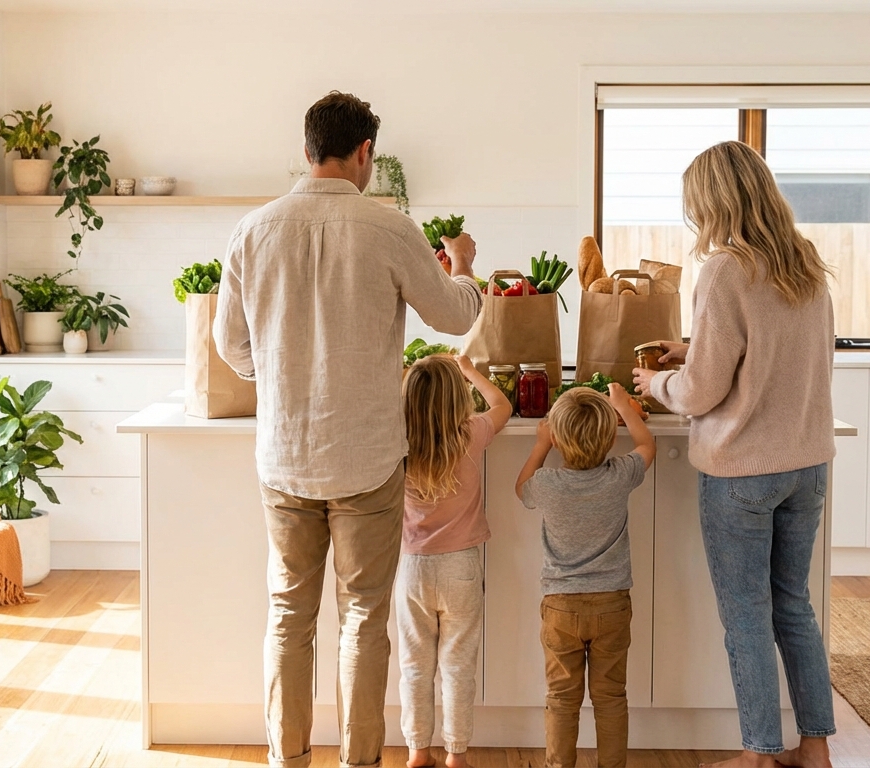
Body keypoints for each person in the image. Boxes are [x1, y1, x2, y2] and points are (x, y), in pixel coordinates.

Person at [212, 92, 483, 768]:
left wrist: (279, 374)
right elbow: (453, 317)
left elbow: (228, 345)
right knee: (363, 618)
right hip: (365, 460)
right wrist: (468, 269)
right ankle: (358, 762)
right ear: (365, 153)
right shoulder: (389, 228)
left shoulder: (253, 230)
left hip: (285, 459)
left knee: (288, 616)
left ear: (306, 151)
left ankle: (288, 760)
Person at [631, 140, 837, 768]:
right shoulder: (803, 262)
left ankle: (757, 755)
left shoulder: (723, 269)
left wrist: (656, 383)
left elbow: (700, 394)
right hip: (806, 464)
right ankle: (816, 749)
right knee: (793, 606)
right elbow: (775, 350)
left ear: (712, 202)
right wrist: (691, 343)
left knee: (746, 613)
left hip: (743, 471)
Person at [515, 384, 656, 768]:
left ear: (558, 439)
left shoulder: (547, 484)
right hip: (612, 604)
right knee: (611, 696)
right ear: (610, 437)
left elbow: (521, 487)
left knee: (561, 697)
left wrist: (541, 444)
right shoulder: (620, 475)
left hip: (561, 606)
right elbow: (648, 446)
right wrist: (624, 407)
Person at [396, 354, 512, 768]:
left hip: (413, 569)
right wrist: (469, 368)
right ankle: (456, 755)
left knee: (414, 666)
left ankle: (416, 751)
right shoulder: (470, 433)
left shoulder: (398, 439)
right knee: (458, 667)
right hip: (461, 568)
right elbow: (502, 406)